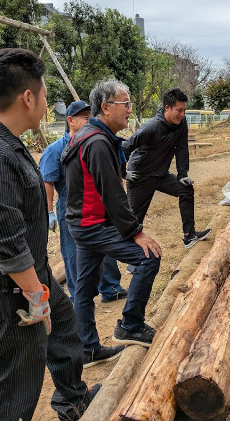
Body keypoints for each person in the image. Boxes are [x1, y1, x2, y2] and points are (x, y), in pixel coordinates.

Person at [0, 48, 96, 421]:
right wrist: (37, 300)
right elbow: (6, 245)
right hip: (7, 289)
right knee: (19, 376)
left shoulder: (5, 140)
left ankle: (72, 400)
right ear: (28, 97)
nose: (48, 102)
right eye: (46, 94)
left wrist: (43, 291)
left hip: (30, 275)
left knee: (65, 330)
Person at [62, 78, 163, 366]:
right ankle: (130, 325)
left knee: (84, 286)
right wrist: (136, 233)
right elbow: (114, 194)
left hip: (83, 223)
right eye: (126, 103)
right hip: (92, 224)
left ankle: (87, 348)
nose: (130, 110)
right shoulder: (95, 141)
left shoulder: (94, 135)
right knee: (147, 257)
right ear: (106, 108)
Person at [39, 100, 127, 304]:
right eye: (86, 118)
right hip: (70, 208)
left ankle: (110, 287)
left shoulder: (97, 141)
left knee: (107, 246)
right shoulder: (56, 150)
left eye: (91, 117)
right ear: (70, 120)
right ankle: (79, 295)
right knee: (73, 253)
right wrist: (49, 212)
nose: (91, 121)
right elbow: (48, 183)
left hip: (98, 205)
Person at [122, 88, 211, 250]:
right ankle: (132, 260)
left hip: (161, 174)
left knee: (186, 190)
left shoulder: (181, 123)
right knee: (134, 220)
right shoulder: (152, 127)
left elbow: (182, 147)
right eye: (179, 110)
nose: (182, 114)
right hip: (140, 176)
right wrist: (123, 172)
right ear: (167, 108)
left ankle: (189, 235)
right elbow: (125, 148)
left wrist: (182, 174)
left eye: (184, 110)